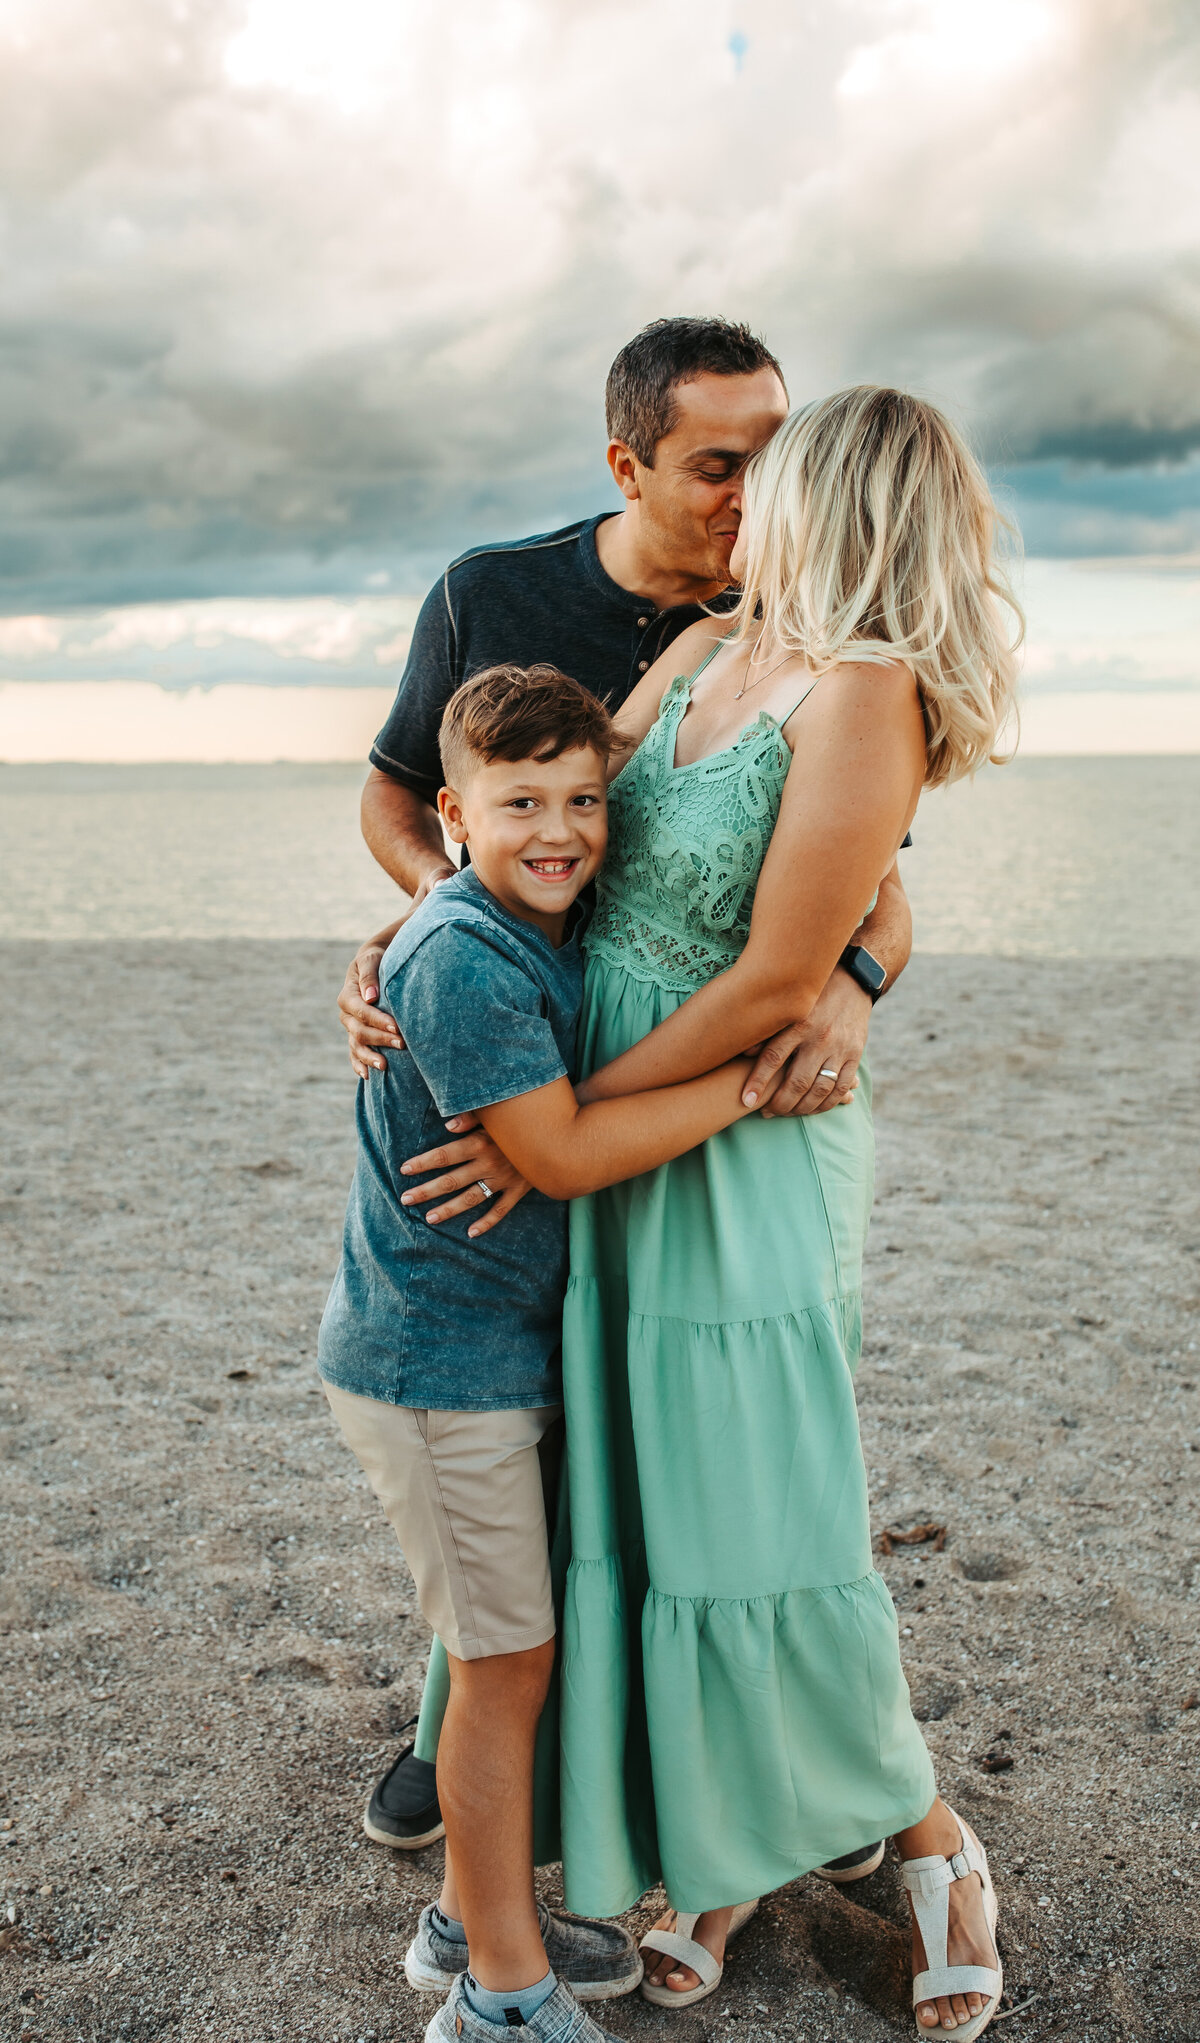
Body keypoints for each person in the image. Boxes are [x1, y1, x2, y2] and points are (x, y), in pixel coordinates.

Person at [435, 387, 1021, 2040]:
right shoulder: (697, 655)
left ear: (834, 500)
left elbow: (778, 967)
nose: (737, 500)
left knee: (763, 1518)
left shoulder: (867, 693)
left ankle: (932, 1839)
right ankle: (727, 1839)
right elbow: (560, 842)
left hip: (730, 1143)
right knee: (649, 1503)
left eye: (773, 476)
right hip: (605, 1135)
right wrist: (416, 946)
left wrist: (578, 1127)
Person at [340, 317, 913, 1887]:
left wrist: (850, 997)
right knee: (541, 1414)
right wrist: (443, 927)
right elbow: (402, 792)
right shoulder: (497, 594)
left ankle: (770, 1774)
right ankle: (493, 1715)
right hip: (553, 1040)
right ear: (630, 464)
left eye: (777, 456)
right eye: (719, 462)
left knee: (709, 1457)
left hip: (660, 1086)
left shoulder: (786, 630)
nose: (752, 490)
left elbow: (865, 896)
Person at [317, 663, 792, 2043]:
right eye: (522, 802)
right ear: (452, 818)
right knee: (503, 1662)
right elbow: (564, 1155)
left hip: (478, 1357)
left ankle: (481, 1912)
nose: (563, 831)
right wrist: (750, 1084)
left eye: (584, 800)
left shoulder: (541, 926)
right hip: (435, 1368)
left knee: (503, 1653)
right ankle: (499, 1996)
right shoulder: (460, 954)